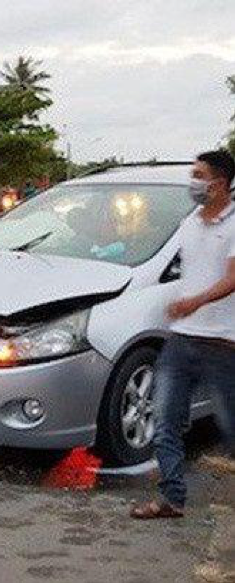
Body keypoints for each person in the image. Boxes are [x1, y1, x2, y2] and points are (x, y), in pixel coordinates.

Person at [131, 149, 235, 520]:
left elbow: (232, 278)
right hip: (181, 340)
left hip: (222, 343)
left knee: (230, 428)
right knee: (165, 423)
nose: (193, 181)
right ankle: (172, 498)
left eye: (198, 174)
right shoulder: (190, 221)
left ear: (219, 183)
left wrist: (195, 301)